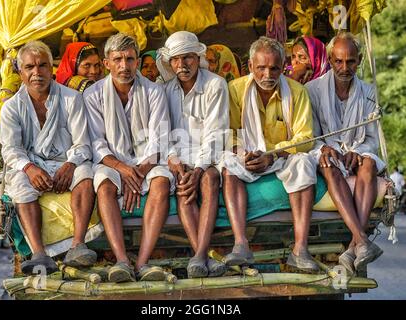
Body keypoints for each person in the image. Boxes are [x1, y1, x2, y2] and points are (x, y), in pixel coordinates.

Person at [221, 36, 319, 272]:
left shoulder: (297, 92)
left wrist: (272, 155)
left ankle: (300, 249)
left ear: (283, 66)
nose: (268, 75)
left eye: (274, 68)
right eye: (261, 68)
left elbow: (305, 138)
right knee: (227, 164)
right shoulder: (235, 89)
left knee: (304, 163)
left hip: (281, 157)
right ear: (251, 67)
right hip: (249, 156)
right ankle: (241, 244)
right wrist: (243, 153)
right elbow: (229, 134)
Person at [0, 41, 97, 275]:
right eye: (30, 67)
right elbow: (11, 150)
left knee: (86, 174)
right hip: (34, 165)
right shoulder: (11, 108)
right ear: (20, 71)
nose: (36, 72)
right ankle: (39, 253)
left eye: (42, 65)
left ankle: (78, 245)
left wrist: (71, 164)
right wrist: (30, 168)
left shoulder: (71, 98)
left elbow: (83, 143)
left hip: (67, 161)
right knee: (20, 184)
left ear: (51, 69)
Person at [84, 33, 174, 282]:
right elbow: (97, 143)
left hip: (148, 162)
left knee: (162, 183)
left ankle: (143, 262)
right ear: (107, 63)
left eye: (130, 59)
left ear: (137, 61)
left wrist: (137, 173)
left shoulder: (154, 92)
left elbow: (159, 140)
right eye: (118, 59)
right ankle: (122, 260)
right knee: (103, 186)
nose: (125, 66)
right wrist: (124, 170)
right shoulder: (93, 95)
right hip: (112, 162)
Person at [306, 32, 384, 274]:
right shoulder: (313, 89)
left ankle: (354, 246)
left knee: (369, 164)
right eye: (339, 61)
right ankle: (361, 240)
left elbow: (372, 139)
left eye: (351, 61)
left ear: (359, 60)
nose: (344, 67)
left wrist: (358, 152)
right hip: (327, 154)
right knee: (327, 164)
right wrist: (325, 148)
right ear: (330, 59)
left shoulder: (370, 92)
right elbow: (311, 137)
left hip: (356, 152)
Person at [157, 31, 229, 278]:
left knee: (209, 179)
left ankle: (198, 256)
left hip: (207, 156)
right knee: (182, 186)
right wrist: (177, 164)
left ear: (198, 58)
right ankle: (204, 254)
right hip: (176, 159)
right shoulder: (163, 90)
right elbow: (162, 133)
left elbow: (215, 133)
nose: (181, 65)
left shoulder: (215, 84)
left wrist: (197, 168)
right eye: (175, 60)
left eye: (187, 58)